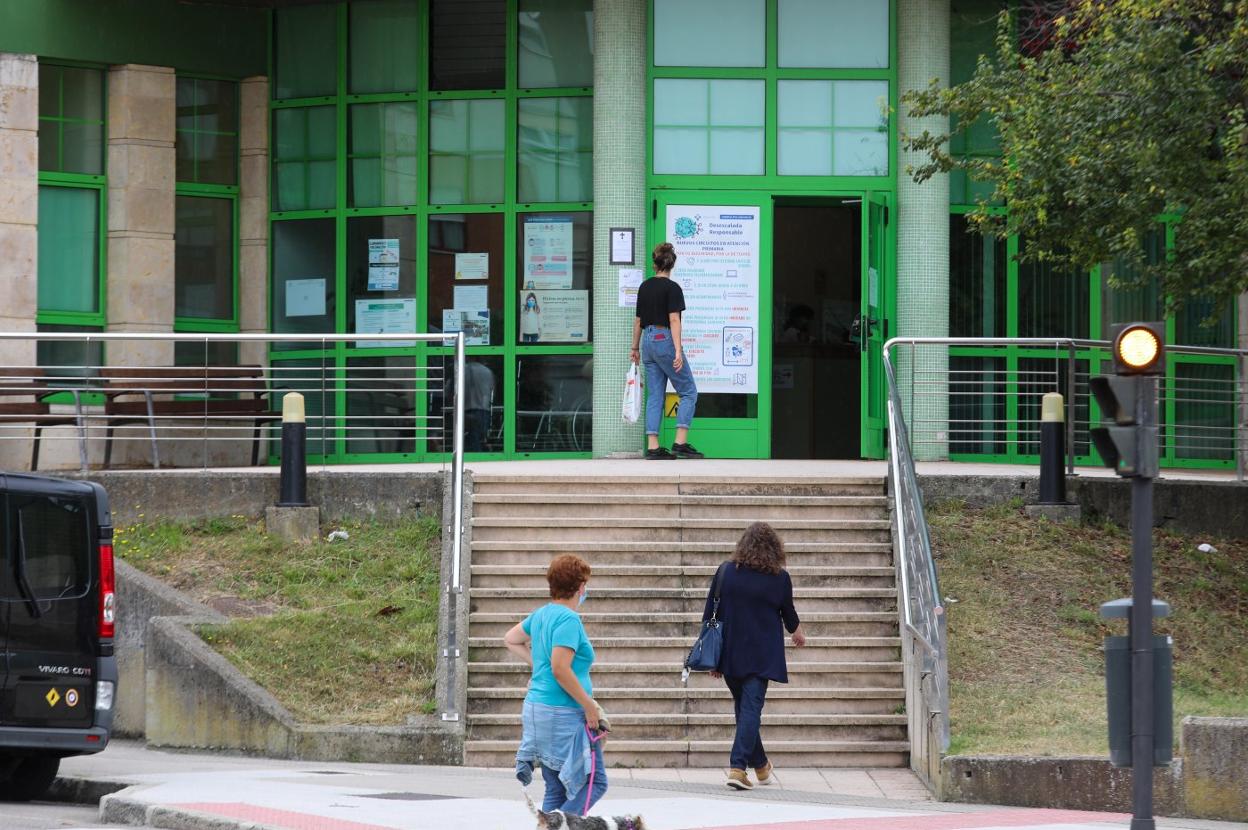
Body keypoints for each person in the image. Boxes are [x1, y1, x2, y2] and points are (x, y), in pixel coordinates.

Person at [705, 522, 806, 791]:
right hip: (762, 657)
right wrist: (797, 633)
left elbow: (710, 614)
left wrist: (714, 659)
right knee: (749, 711)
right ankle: (738, 768)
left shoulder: (726, 572)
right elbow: (788, 612)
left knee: (745, 710)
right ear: (774, 549)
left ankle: (761, 766)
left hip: (731, 654)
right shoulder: (780, 578)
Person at [506, 554, 608, 815]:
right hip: (563, 713)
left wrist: (536, 665)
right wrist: (589, 707)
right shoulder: (569, 619)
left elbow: (511, 638)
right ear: (580, 586)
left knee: (555, 789)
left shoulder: (541, 615)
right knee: (594, 782)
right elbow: (560, 669)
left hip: (538, 710)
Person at [630, 242, 702, 460]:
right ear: (671, 265)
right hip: (664, 340)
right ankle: (680, 442)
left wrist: (634, 348)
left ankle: (653, 446)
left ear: (655, 264)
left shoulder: (644, 287)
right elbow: (674, 319)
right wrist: (678, 350)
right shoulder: (673, 288)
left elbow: (638, 321)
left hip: (648, 343)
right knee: (689, 391)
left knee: (655, 395)